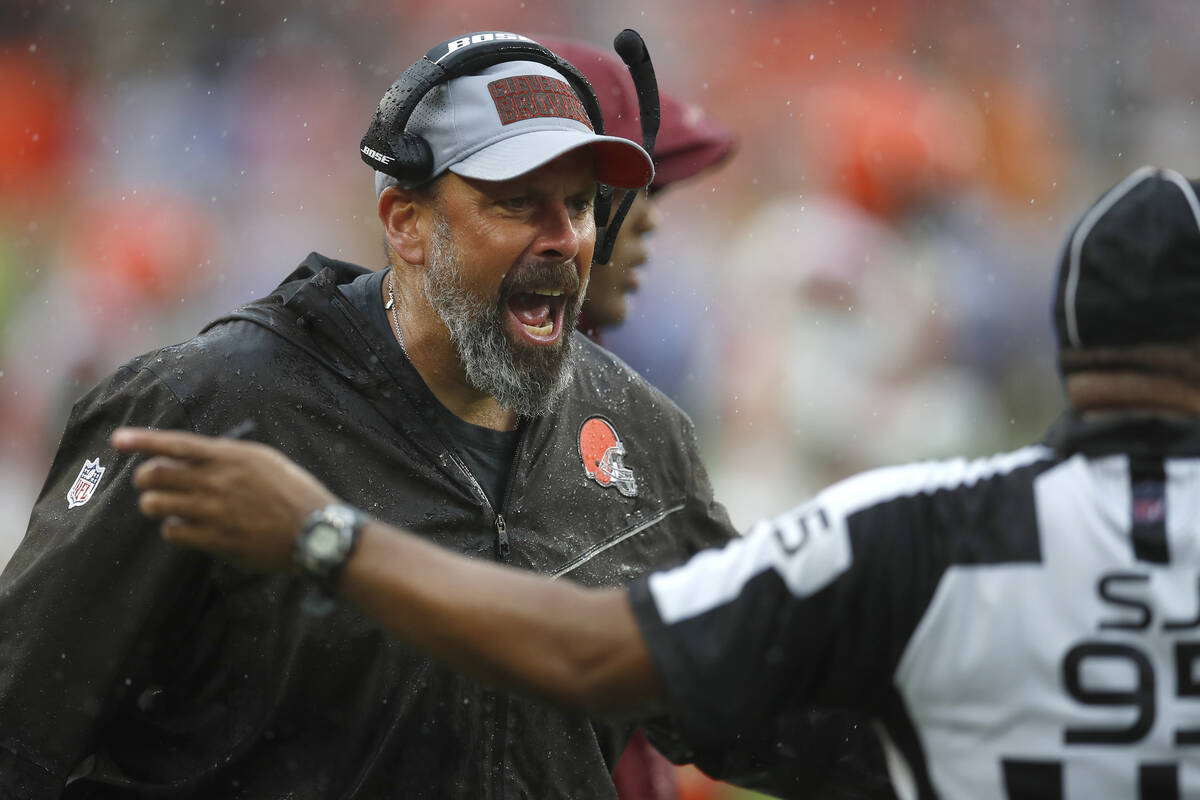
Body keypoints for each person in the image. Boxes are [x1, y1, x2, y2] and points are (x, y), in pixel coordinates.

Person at [116, 165, 1200, 798]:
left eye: (589, 203)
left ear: (1065, 337)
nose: (599, 242)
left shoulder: (916, 522)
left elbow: (599, 652)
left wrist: (322, 535)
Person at [0, 31, 743, 799]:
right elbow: (19, 728)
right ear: (406, 222)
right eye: (517, 201)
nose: (562, 240)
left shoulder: (641, 437)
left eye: (581, 204)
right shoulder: (204, 410)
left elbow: (761, 714)